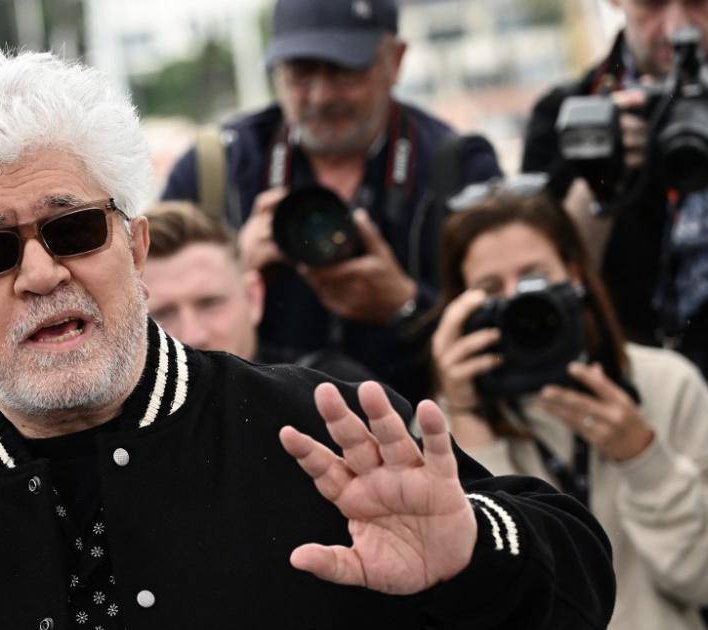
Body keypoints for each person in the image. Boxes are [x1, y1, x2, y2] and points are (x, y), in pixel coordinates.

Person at [0, 51, 615, 630]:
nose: (40, 274)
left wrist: (470, 556)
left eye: (73, 230)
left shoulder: (323, 432)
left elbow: (581, 584)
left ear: (134, 247)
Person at [162, 0, 502, 403]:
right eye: (300, 72)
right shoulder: (215, 172)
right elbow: (150, 329)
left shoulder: (457, 169)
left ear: (395, 61)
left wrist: (406, 306)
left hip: (424, 421)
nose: (321, 96)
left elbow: (510, 333)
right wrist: (233, 272)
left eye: (344, 70)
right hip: (254, 423)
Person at [430, 180, 708, 630]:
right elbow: (485, 595)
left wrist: (643, 458)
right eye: (490, 288)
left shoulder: (665, 385)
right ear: (462, 305)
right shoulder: (440, 425)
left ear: (575, 274)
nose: (520, 300)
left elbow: (700, 580)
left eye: (535, 278)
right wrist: (468, 422)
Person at [522, 0, 708, 376]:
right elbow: (544, 283)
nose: (676, 28)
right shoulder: (564, 114)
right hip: (623, 372)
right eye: (652, 4)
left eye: (697, 3)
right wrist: (600, 177)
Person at [143, 201, 374, 381]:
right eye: (163, 313)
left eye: (209, 304)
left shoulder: (330, 392)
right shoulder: (126, 422)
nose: (192, 336)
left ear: (253, 297)